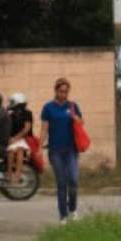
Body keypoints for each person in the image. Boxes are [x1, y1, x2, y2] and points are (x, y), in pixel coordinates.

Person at [39, 78, 82, 224]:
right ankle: (63, 215)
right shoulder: (48, 108)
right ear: (56, 91)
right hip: (55, 150)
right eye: (61, 91)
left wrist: (75, 117)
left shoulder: (73, 106)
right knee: (62, 182)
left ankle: (73, 209)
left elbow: (81, 123)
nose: (64, 94)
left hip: (71, 149)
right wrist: (39, 147)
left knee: (74, 180)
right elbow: (44, 128)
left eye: (66, 91)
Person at [7, 92, 33, 184]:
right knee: (11, 151)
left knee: (19, 149)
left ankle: (18, 174)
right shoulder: (10, 114)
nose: (10, 103)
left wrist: (15, 138)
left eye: (12, 101)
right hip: (11, 139)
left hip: (23, 139)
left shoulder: (27, 113)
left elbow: (26, 129)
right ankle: (9, 173)